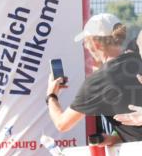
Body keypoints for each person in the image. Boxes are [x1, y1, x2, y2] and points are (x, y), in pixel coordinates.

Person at [46, 13, 142, 143]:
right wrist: (116, 137)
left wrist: (51, 96)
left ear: (95, 44)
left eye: (85, 42)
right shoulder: (137, 59)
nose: (85, 47)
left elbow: (62, 124)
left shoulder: (98, 81)